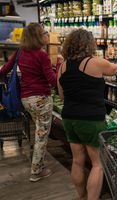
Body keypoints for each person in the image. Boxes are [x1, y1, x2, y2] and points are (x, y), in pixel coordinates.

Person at [57, 29, 117, 200]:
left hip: (69, 118)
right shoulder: (95, 62)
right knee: (97, 164)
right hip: (91, 119)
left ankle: (82, 196)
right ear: (89, 44)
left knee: (77, 160)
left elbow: (62, 95)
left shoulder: (62, 66)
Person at [0, 23, 57, 181]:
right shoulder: (42, 55)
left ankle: (39, 163)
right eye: (44, 32)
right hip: (41, 99)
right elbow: (52, 81)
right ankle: (36, 171)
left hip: (26, 99)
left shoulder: (20, 52)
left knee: (39, 131)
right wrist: (59, 65)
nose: (47, 35)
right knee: (41, 135)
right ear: (38, 36)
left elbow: (4, 70)